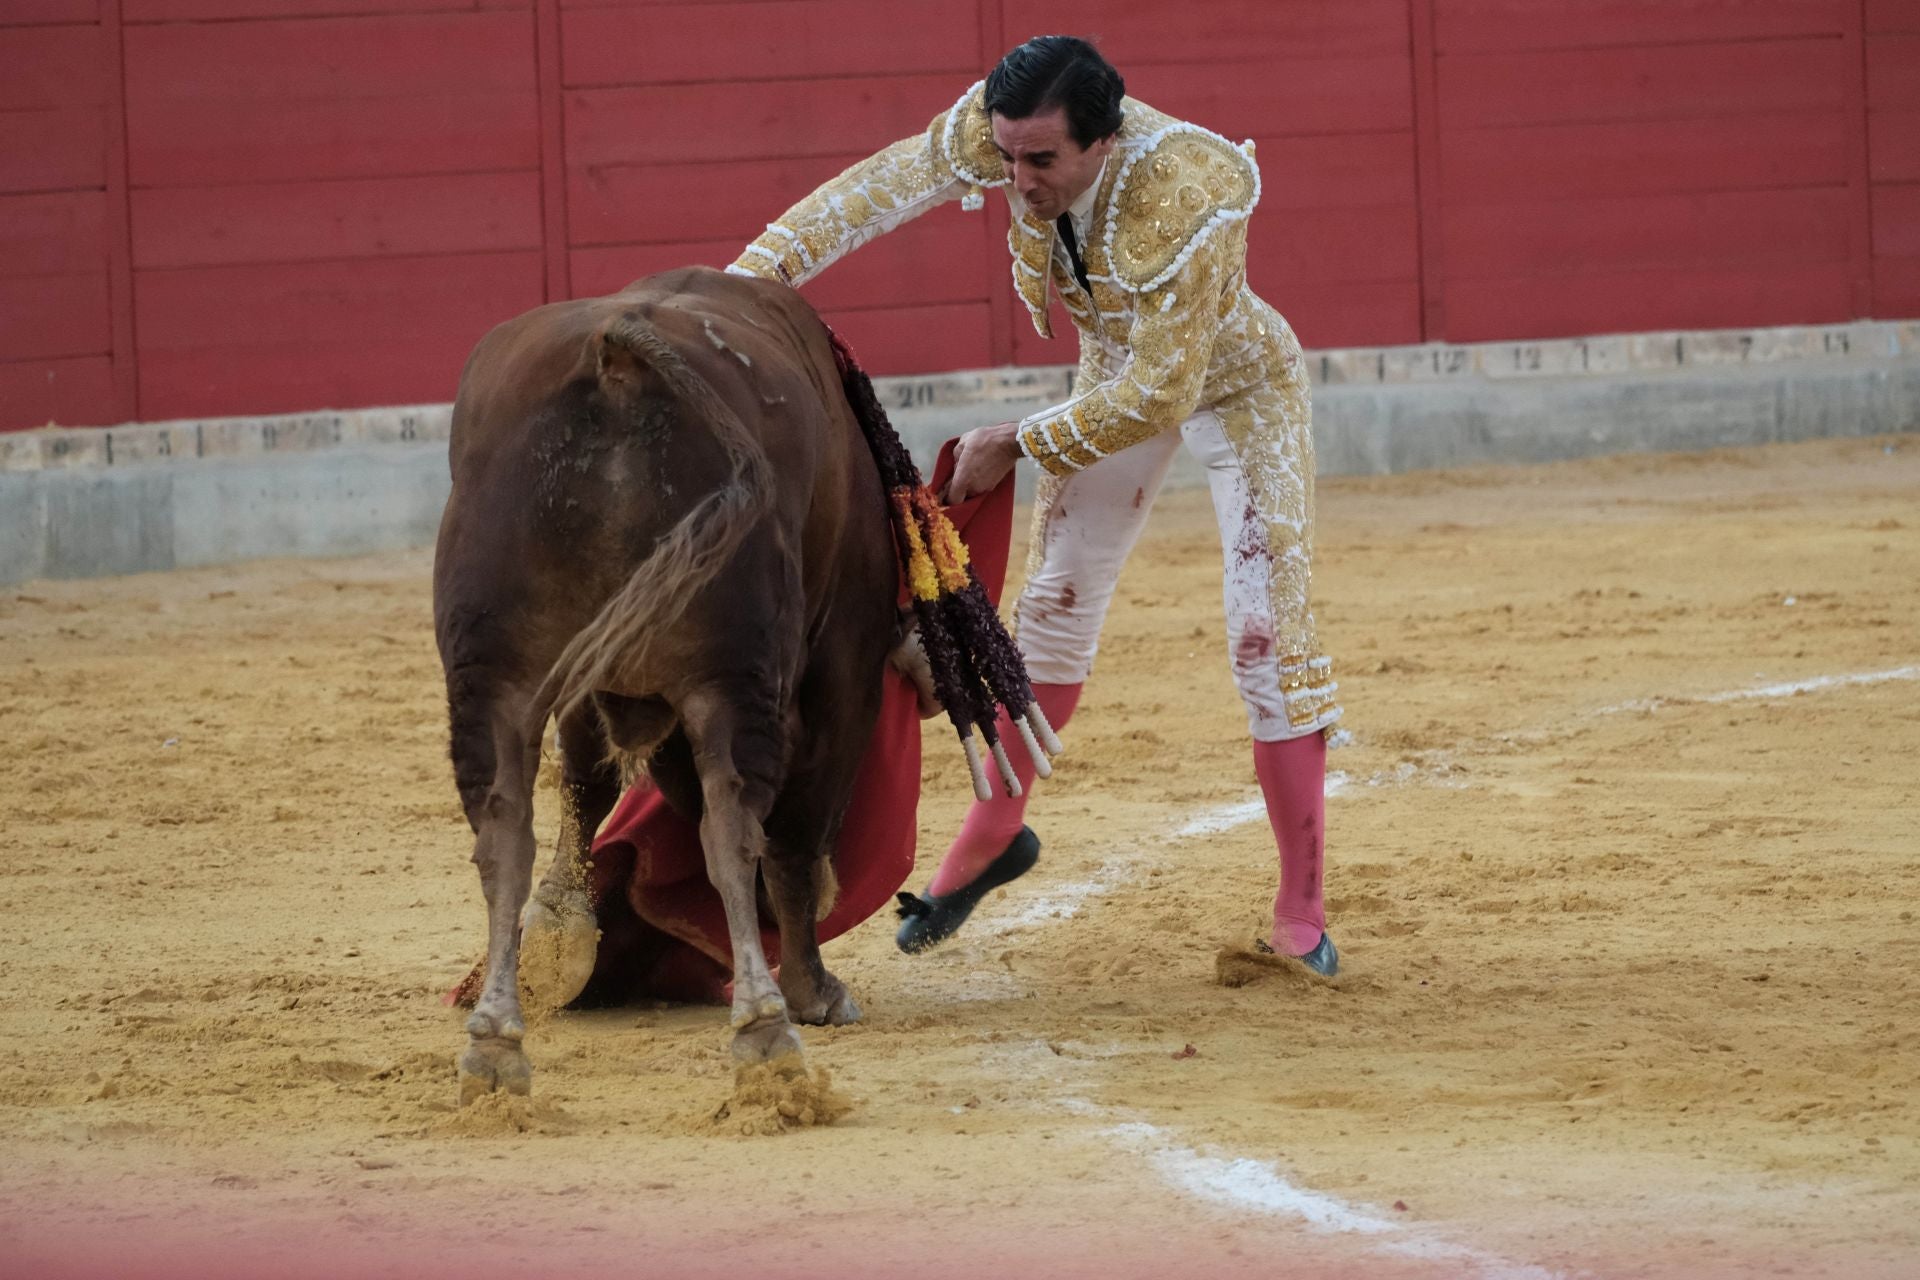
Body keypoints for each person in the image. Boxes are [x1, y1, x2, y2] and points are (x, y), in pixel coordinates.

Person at [726, 35, 1344, 975]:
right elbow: (876, 190)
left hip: (1236, 388)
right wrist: (740, 287)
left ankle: (1303, 908)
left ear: (1104, 140)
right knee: (1052, 608)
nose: (1017, 180)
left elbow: (1161, 393)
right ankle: (990, 838)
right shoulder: (1015, 132)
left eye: (1041, 162)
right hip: (1113, 377)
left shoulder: (1190, 190)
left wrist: (1014, 438)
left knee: (1267, 639)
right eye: (1008, 157)